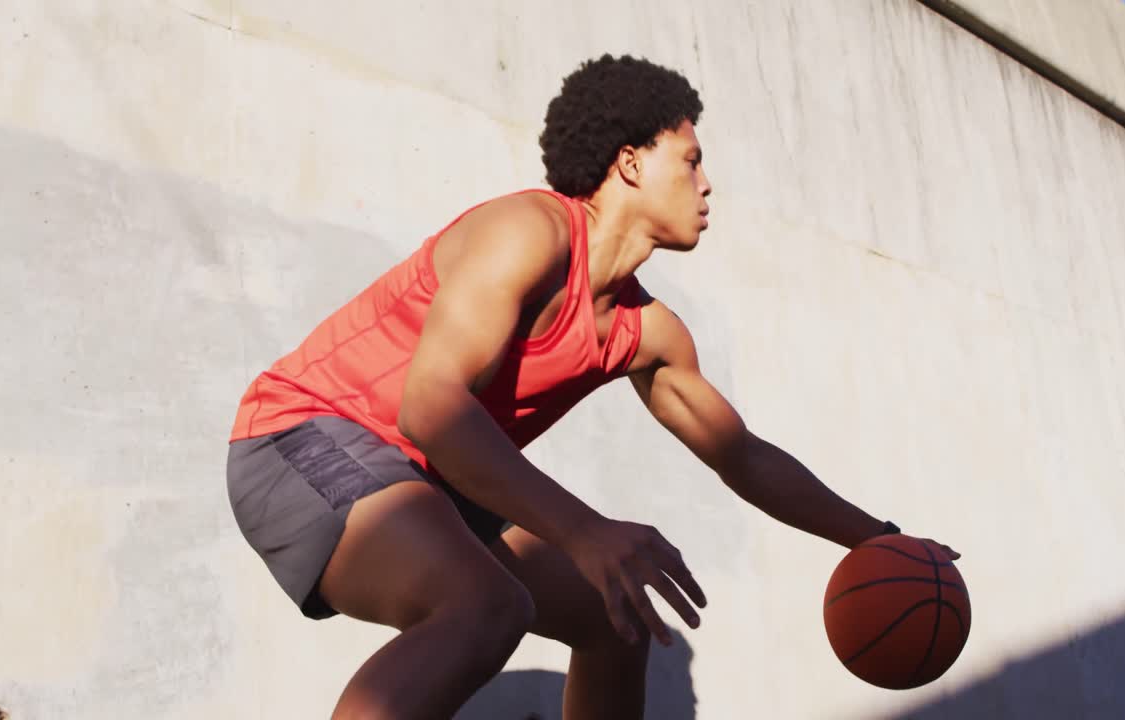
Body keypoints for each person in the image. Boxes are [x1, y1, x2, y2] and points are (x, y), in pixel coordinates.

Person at [226, 53, 958, 720]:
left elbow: (743, 457)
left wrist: (881, 542)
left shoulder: (647, 331)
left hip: (424, 474)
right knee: (485, 605)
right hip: (302, 435)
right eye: (691, 161)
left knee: (616, 619)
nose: (707, 185)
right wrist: (582, 531)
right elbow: (431, 408)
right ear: (632, 163)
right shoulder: (524, 234)